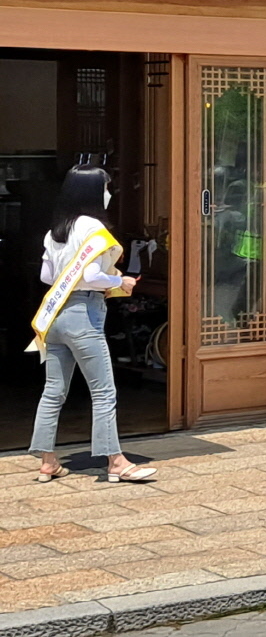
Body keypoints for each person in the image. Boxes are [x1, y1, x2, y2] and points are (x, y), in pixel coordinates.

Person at [29, 164, 157, 484]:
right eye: (105, 187)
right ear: (91, 192)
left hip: (55, 316)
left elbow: (47, 277)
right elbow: (89, 277)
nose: (109, 193)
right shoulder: (91, 228)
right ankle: (116, 462)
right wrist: (120, 279)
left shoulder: (55, 229)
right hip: (84, 315)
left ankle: (48, 462)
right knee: (103, 392)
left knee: (53, 391)